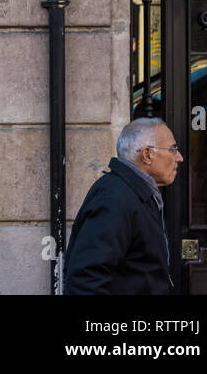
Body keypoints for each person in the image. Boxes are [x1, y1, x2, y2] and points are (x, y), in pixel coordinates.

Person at [63, 117, 182, 294]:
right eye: (173, 149)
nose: (179, 158)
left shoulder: (135, 192)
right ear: (147, 154)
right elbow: (86, 279)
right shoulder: (115, 197)